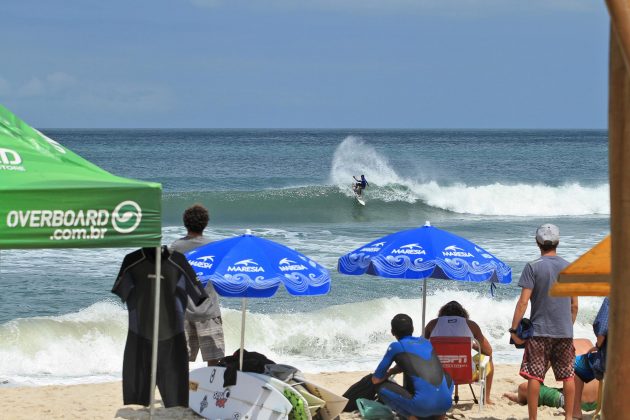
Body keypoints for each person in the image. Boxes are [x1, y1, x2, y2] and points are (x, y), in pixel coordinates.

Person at [510, 223, 578, 420]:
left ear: (537, 242)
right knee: (568, 375)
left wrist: (514, 329)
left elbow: (523, 302)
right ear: (558, 242)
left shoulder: (532, 267)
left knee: (534, 376)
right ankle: (568, 417)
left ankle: (533, 418)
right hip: (564, 331)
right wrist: (567, 325)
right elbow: (574, 305)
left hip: (539, 331)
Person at [169, 204, 225, 366]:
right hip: (209, 310)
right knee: (214, 360)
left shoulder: (175, 248)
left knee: (180, 360)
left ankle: (182, 390)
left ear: (185, 223)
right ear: (206, 224)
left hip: (183, 312)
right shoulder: (215, 248)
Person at [371, 313, 453, 419]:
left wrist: (391, 372)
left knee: (380, 387)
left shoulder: (396, 346)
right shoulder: (426, 343)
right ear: (413, 329)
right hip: (445, 404)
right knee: (446, 376)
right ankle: (440, 415)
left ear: (392, 332)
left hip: (422, 407)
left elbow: (376, 379)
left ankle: (412, 417)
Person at [424, 300, 495, 404]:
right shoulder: (471, 325)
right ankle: (486, 398)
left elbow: (423, 348)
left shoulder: (432, 324)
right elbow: (488, 351)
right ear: (463, 314)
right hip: (466, 373)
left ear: (442, 313)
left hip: (438, 374)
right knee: (489, 360)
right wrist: (472, 345)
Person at [502, 339, 598, 413]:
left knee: (523, 388)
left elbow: (537, 376)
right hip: (598, 401)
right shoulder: (586, 341)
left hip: (576, 403)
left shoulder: (557, 345)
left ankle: (518, 398)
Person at [573, 297, 609, 419]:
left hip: (613, 359)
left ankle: (576, 412)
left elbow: (602, 331)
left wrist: (597, 346)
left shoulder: (613, 298)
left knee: (576, 365)